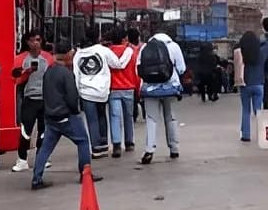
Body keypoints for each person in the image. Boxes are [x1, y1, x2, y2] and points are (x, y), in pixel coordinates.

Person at [31, 46, 100, 190]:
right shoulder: (66, 74)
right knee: (82, 141)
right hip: (66, 116)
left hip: (51, 117)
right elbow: (72, 96)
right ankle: (85, 174)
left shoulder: (48, 72)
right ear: (67, 55)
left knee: (45, 148)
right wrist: (74, 111)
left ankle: (36, 178)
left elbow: (45, 93)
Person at [74, 24, 134, 159]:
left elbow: (76, 74)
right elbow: (117, 64)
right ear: (98, 36)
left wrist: (77, 92)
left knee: (91, 120)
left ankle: (95, 148)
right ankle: (104, 143)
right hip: (102, 91)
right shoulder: (104, 50)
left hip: (85, 92)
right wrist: (127, 53)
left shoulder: (78, 54)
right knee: (102, 117)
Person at [138, 32, 187, 164]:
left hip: (150, 88)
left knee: (151, 118)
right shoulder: (174, 46)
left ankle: (149, 150)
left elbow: (139, 69)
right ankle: (174, 148)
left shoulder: (144, 48)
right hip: (169, 87)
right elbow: (182, 69)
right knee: (170, 116)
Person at [12, 30, 53, 172]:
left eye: (38, 39)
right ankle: (22, 159)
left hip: (45, 99)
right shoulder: (21, 58)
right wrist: (27, 72)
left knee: (44, 130)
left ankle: (42, 157)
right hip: (29, 99)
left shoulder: (48, 58)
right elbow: (15, 80)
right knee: (25, 131)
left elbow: (53, 78)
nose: (35, 43)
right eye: (32, 40)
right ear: (27, 42)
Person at [108, 29, 141, 158]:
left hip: (114, 88)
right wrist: (138, 88)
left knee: (115, 116)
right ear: (123, 40)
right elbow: (136, 72)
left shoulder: (108, 52)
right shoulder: (131, 53)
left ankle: (116, 144)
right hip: (129, 88)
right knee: (128, 116)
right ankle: (129, 142)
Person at [234, 30, 267, 142]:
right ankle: (263, 133)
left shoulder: (241, 53)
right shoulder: (261, 52)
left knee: (246, 110)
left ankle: (246, 135)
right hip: (259, 84)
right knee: (258, 111)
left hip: (245, 84)